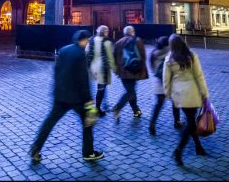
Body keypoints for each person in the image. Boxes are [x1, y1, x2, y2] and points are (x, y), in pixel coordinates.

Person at [30, 30, 104, 162]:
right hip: (76, 98)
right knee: (87, 123)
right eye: (87, 40)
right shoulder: (80, 54)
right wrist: (88, 101)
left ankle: (36, 148)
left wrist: (56, 90)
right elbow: (83, 80)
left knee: (50, 122)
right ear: (84, 40)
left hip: (60, 95)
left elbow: (56, 71)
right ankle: (88, 152)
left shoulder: (64, 50)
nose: (88, 43)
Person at [163, 34, 209, 166]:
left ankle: (198, 147)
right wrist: (205, 93)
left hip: (178, 95)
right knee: (190, 123)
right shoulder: (192, 56)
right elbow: (199, 76)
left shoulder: (169, 59)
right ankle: (179, 150)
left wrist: (168, 94)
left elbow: (166, 80)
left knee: (191, 122)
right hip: (192, 93)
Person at [112, 25, 148, 122]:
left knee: (130, 90)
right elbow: (143, 56)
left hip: (123, 71)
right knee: (130, 91)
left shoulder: (118, 43)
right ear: (133, 32)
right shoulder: (138, 40)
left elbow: (114, 57)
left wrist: (116, 70)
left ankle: (136, 110)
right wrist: (141, 68)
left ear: (124, 33)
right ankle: (118, 107)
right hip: (134, 70)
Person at [148, 35, 183, 135]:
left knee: (158, 105)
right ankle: (177, 122)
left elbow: (153, 69)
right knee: (175, 103)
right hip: (171, 82)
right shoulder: (171, 52)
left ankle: (152, 124)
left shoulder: (153, 54)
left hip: (158, 83)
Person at [86, 25, 117, 117]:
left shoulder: (92, 40)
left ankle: (100, 105)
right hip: (102, 68)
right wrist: (115, 69)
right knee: (101, 88)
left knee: (100, 87)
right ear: (106, 32)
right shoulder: (107, 42)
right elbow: (110, 57)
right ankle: (98, 108)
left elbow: (87, 52)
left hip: (93, 67)